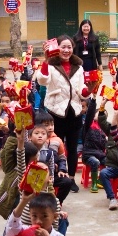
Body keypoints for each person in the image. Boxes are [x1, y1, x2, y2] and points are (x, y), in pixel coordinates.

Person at [34, 35, 88, 178]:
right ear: (57, 48)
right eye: (63, 47)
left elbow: (82, 88)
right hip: (55, 113)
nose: (66, 50)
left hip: (74, 112)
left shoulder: (79, 67)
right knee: (54, 146)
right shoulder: (51, 65)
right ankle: (55, 176)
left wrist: (88, 91)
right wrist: (46, 60)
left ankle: (70, 178)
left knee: (73, 148)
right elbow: (43, 80)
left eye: (69, 47)